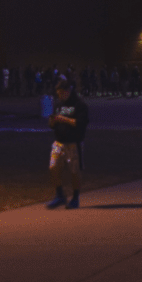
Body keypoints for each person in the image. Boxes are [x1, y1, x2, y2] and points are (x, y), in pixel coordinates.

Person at [46, 76, 90, 209]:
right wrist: (52, 122)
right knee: (53, 168)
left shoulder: (80, 105)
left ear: (68, 90)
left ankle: (75, 198)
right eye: (58, 93)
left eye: (61, 93)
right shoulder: (59, 104)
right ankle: (60, 195)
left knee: (74, 171)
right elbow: (53, 123)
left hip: (73, 143)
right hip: (59, 142)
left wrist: (64, 119)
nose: (59, 96)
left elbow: (81, 123)